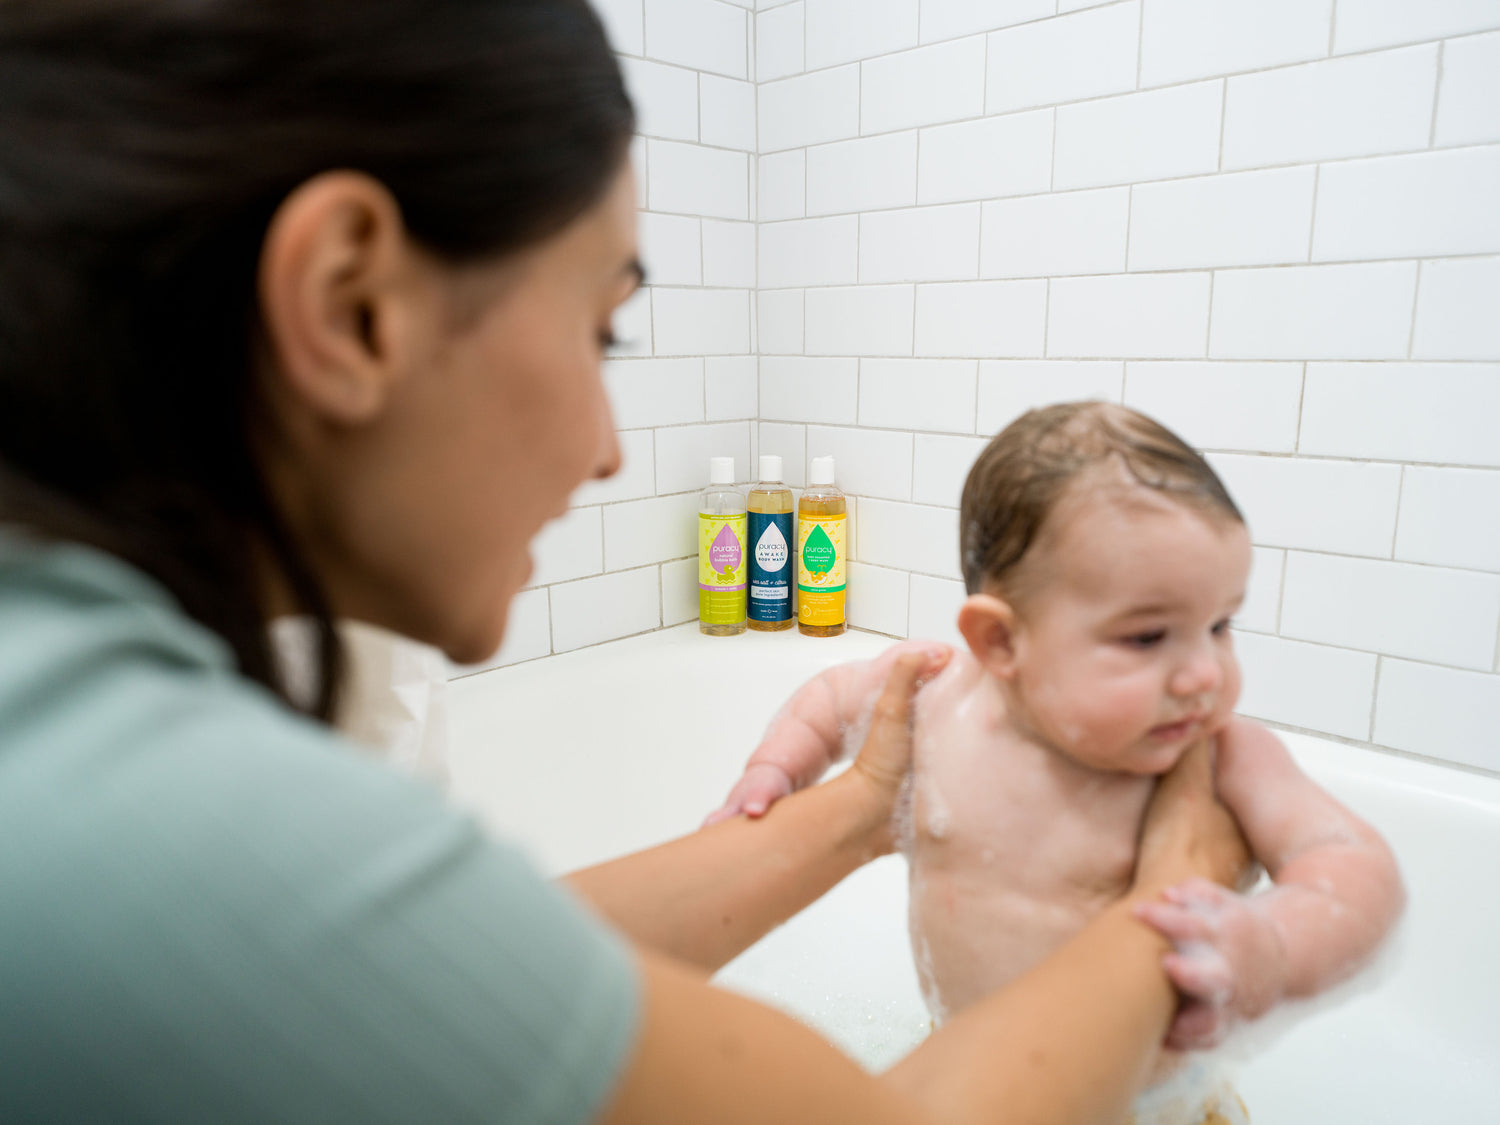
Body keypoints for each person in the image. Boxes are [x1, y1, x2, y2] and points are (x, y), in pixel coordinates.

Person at [0, 4, 1250, 1122]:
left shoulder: (69, 697)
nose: (607, 451)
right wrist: (1173, 903)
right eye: (604, 329)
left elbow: (465, 974)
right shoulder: (157, 817)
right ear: (350, 304)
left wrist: (865, 805)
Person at [710, 403, 1406, 1124]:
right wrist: (779, 768)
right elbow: (827, 698)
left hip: (1149, 1106)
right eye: (1147, 636)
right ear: (1001, 643)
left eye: (1220, 625)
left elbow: (1354, 866)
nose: (1205, 672)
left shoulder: (1220, 756)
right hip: (967, 1070)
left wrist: (1274, 944)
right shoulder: (935, 700)